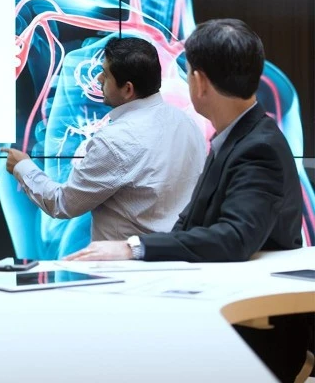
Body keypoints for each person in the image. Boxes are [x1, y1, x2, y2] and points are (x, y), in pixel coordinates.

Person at [65, 19, 309, 383]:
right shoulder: (236, 137)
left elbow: (234, 238)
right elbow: (190, 223)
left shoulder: (257, 147)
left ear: (200, 81)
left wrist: (133, 248)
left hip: (252, 339)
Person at [1, 37, 206, 241]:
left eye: (106, 75)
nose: (99, 79)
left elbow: (63, 203)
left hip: (127, 260)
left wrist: (23, 167)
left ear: (127, 89)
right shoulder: (187, 123)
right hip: (177, 254)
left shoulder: (113, 142)